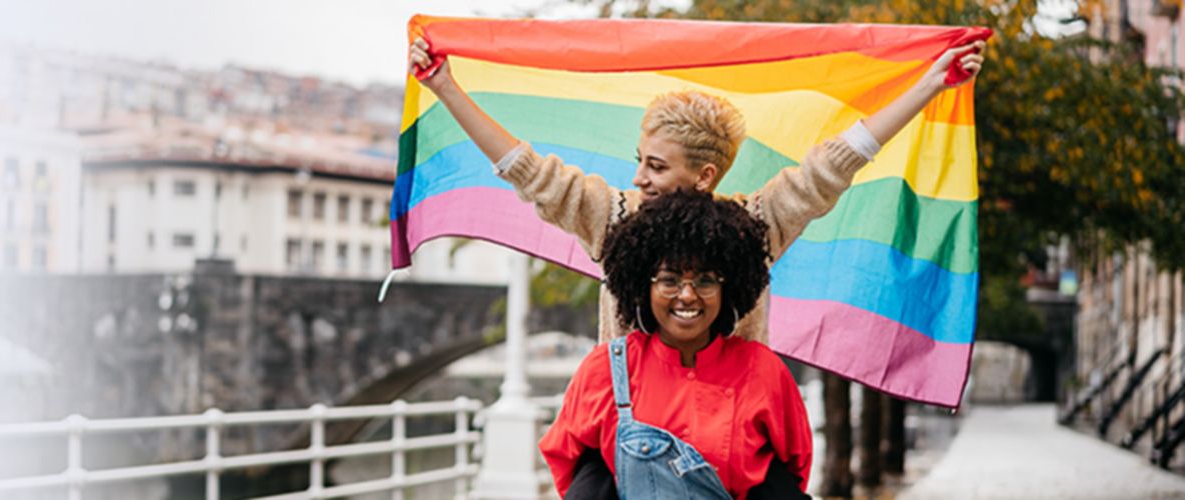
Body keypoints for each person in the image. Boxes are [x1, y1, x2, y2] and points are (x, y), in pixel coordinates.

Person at [406, 35, 986, 344]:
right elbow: (524, 167)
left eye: (656, 167)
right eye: (640, 162)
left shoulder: (757, 224)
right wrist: (445, 87)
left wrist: (932, 83)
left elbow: (837, 161)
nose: (639, 178)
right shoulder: (613, 218)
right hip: (632, 442)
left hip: (729, 446)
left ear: (704, 175)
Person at [543, 191, 809, 499]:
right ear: (644, 286)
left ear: (728, 288)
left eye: (705, 280)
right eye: (669, 280)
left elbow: (794, 467)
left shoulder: (763, 370)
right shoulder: (605, 370)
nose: (687, 295)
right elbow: (569, 465)